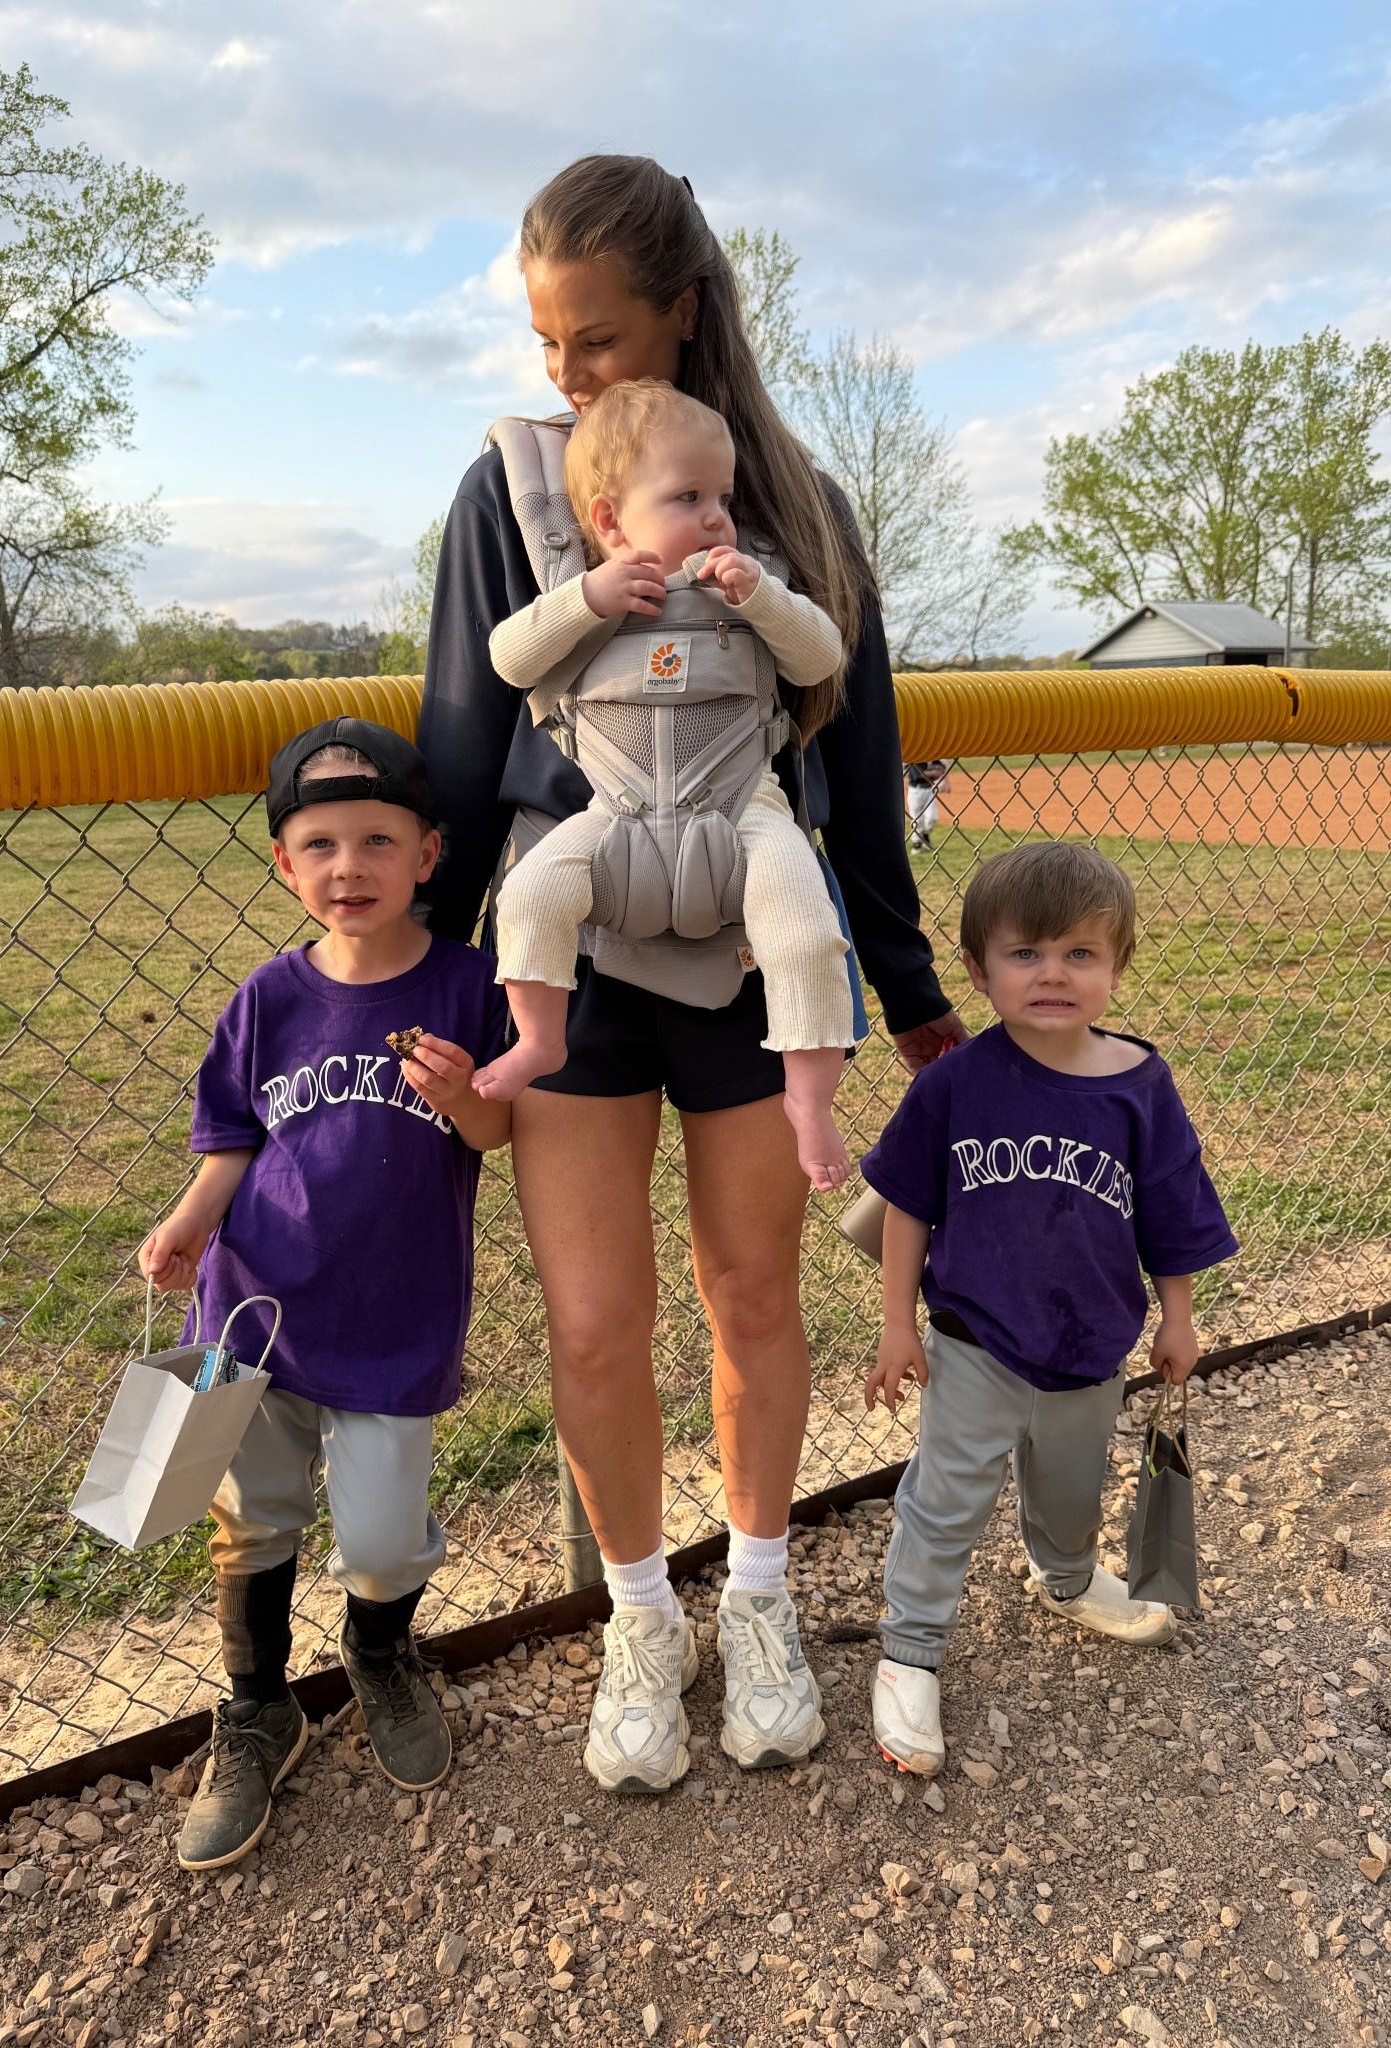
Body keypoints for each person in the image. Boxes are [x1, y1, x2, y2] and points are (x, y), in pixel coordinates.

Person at [417, 154, 966, 1794]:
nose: (561, 370)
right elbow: (460, 746)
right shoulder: (508, 490)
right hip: (574, 945)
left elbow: (858, 778)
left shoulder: (795, 511)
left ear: (682, 308)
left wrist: (910, 984)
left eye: (590, 337)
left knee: (752, 1291)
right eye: (544, 337)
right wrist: (428, 987)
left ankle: (767, 1594)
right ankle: (641, 1615)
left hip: (744, 941)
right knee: (592, 1322)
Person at [139, 718, 510, 1869]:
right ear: (285, 864)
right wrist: (189, 1222)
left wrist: (463, 1096)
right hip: (254, 1309)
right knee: (249, 1518)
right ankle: (257, 1704)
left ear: (429, 855)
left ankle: (378, 1650)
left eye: (377, 840)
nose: (349, 867)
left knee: (388, 1536)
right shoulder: (267, 997)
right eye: (320, 844)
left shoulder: (468, 986)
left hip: (396, 1316)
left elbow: (502, 1129)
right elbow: (231, 1140)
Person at [858, 842, 1237, 1776]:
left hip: (1092, 1348)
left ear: (1118, 966)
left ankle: (1064, 1578)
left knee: (1070, 1496)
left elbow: (1173, 1213)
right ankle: (908, 1651)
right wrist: (897, 1324)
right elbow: (906, 1205)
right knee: (944, 1502)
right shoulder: (954, 1080)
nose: (1053, 974)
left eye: (1079, 953)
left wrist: (1177, 1318)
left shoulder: (1141, 1088)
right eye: (1024, 953)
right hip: (974, 1340)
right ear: (980, 969)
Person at [475, 377, 855, 1191]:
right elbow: (509, 660)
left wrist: (764, 598)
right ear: (610, 520)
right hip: (614, 814)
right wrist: (586, 600)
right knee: (530, 895)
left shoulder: (748, 586)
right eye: (689, 496)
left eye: (722, 495)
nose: (718, 515)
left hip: (742, 807)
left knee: (803, 923)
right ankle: (538, 1038)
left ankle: (810, 1095)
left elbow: (821, 659)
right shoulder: (584, 596)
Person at [904, 759, 951, 850]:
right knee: (917, 819)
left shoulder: (933, 757)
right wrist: (934, 773)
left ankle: (925, 834)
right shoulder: (916, 758)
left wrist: (945, 783)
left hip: (930, 790)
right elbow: (919, 774)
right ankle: (917, 844)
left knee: (932, 817)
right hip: (915, 791)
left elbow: (942, 769)